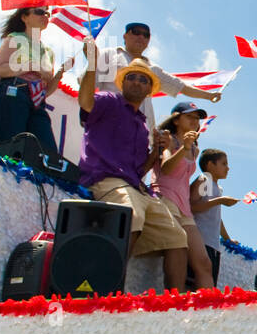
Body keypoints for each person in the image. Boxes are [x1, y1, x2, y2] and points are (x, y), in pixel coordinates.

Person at [77, 49, 188, 289]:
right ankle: (105, 291)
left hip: (133, 185)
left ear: (149, 89)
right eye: (131, 77)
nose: (136, 82)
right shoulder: (108, 100)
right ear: (123, 81)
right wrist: (92, 65)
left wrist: (156, 152)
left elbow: (139, 170)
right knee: (132, 215)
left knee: (178, 236)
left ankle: (175, 304)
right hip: (105, 179)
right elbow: (85, 102)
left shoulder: (143, 125)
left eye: (143, 79)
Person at [95, 22, 221, 130]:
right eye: (136, 32)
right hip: (109, 123)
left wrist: (209, 96)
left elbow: (181, 87)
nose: (141, 37)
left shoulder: (153, 69)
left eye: (146, 35)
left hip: (140, 133)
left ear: (148, 41)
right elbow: (89, 85)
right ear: (125, 36)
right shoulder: (109, 55)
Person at [0, 6, 75, 156]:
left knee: (47, 153)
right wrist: (29, 66)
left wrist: (61, 72)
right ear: (24, 17)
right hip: (14, 92)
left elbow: (46, 91)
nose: (45, 16)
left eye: (47, 13)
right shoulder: (15, 38)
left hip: (37, 102)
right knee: (12, 146)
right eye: (39, 12)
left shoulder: (48, 52)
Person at [152, 101, 214, 290]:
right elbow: (167, 168)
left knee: (203, 262)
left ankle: (211, 309)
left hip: (184, 206)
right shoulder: (167, 138)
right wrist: (184, 148)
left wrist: (188, 147)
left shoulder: (194, 149)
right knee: (177, 247)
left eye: (197, 118)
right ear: (176, 120)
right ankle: (174, 304)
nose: (195, 121)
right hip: (164, 197)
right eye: (190, 116)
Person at [190, 148, 238, 286]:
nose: (228, 168)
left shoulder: (217, 187)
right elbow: (192, 206)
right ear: (210, 165)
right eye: (223, 164)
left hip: (213, 244)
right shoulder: (204, 180)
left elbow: (216, 217)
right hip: (200, 241)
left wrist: (227, 238)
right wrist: (220, 201)